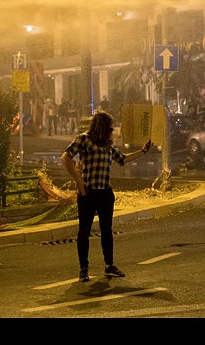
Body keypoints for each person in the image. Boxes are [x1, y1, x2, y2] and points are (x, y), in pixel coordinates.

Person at [61, 110, 153, 282]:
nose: (112, 131)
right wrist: (78, 180)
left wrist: (143, 151)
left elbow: (123, 159)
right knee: (84, 231)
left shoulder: (108, 146)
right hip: (87, 192)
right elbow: (65, 157)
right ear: (101, 127)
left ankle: (109, 265)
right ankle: (83, 268)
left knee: (106, 231)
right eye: (110, 128)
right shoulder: (83, 139)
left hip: (105, 192)